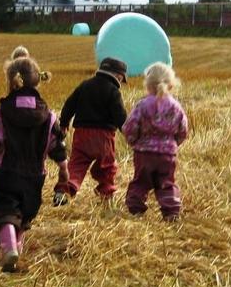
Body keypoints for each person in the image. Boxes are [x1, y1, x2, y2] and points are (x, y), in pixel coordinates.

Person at [0, 56, 69, 272]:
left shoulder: (0, 113)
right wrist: (63, 168)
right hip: (35, 177)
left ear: (11, 81)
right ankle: (16, 247)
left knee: (3, 210)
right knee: (24, 215)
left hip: (5, 173)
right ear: (38, 81)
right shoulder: (49, 117)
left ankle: (9, 250)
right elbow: (57, 145)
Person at [53, 57, 127, 207]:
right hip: (104, 137)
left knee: (76, 165)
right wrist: (128, 132)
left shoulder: (85, 85)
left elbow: (69, 104)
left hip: (81, 134)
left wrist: (64, 123)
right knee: (107, 166)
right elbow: (120, 116)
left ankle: (64, 192)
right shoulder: (113, 91)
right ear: (119, 76)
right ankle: (106, 195)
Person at [122, 62, 188, 221]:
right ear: (171, 85)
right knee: (166, 183)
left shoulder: (143, 105)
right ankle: (171, 212)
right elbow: (183, 129)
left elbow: (130, 127)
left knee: (140, 182)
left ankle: (135, 209)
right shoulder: (176, 107)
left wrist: (133, 141)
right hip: (167, 155)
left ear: (148, 85)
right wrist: (173, 144)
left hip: (144, 154)